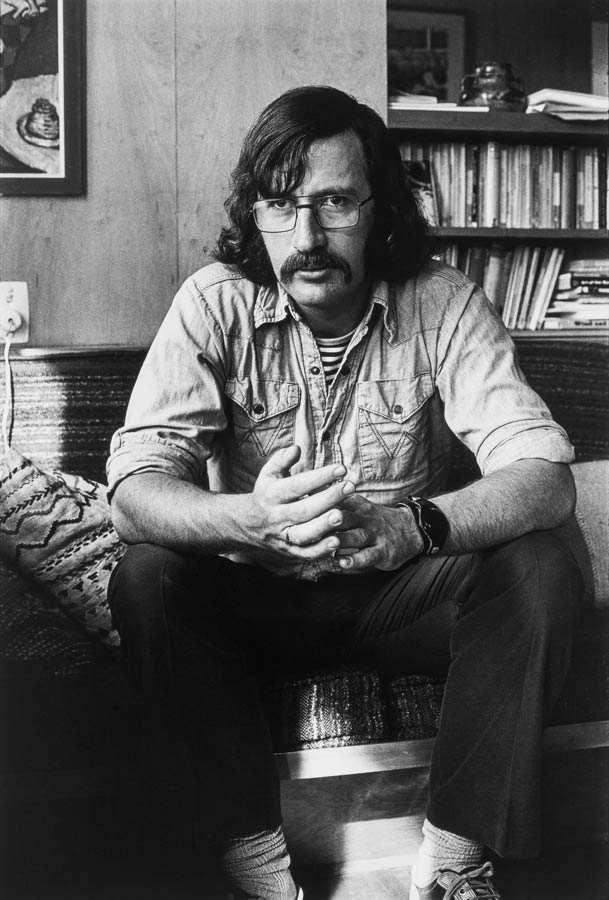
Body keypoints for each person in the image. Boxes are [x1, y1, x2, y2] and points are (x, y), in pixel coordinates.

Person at [106, 85, 582, 900]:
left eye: (334, 203)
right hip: (259, 596)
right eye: (283, 206)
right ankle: (255, 871)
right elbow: (135, 487)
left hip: (403, 596)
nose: (308, 235)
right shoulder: (212, 302)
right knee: (147, 575)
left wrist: (412, 528)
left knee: (540, 561)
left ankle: (455, 865)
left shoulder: (445, 302)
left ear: (382, 210)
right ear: (254, 214)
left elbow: (541, 476)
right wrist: (246, 519)